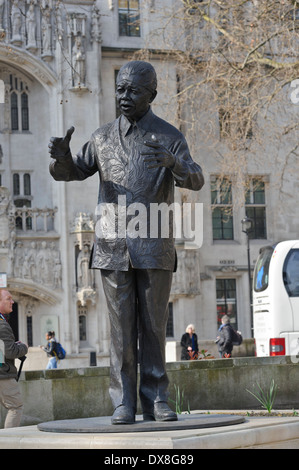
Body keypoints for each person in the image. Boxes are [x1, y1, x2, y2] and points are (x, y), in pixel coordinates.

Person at [48, 60, 204, 425]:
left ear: (151, 94)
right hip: (112, 247)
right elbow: (74, 172)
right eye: (120, 88)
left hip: (154, 247)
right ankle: (123, 403)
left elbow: (195, 178)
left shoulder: (170, 136)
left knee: (153, 326)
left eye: (133, 90)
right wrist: (61, 159)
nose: (124, 96)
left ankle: (157, 398)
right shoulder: (101, 138)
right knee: (120, 332)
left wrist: (175, 164)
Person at [0, 289, 28, 428]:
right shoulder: (2, 324)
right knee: (15, 407)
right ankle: (8, 443)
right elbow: (10, 352)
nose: (12, 302)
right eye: (8, 299)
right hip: (3, 375)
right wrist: (23, 347)